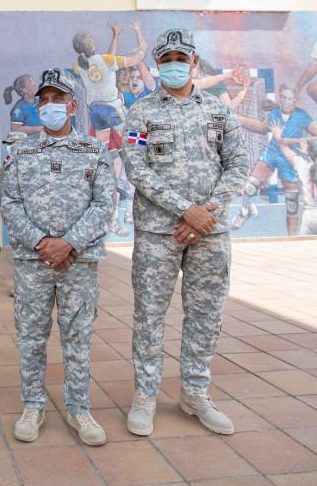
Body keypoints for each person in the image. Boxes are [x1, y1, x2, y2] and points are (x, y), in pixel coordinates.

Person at [122, 28, 248, 437]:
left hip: (210, 231)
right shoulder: (141, 112)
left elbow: (238, 162)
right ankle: (145, 396)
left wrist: (206, 212)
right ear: (157, 64)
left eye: (182, 58)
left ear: (194, 62)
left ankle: (195, 393)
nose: (175, 65)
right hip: (159, 232)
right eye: (167, 59)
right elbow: (136, 167)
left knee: (206, 314)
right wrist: (185, 210)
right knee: (149, 315)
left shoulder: (219, 111)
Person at [0, 67, 115, 446]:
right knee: (31, 338)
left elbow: (104, 204)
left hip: (78, 262)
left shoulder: (94, 151)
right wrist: (42, 243)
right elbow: (9, 203)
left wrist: (70, 243)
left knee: (77, 338)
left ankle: (79, 409)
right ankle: (33, 406)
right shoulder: (21, 151)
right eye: (44, 99)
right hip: (33, 263)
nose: (49, 104)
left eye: (57, 99)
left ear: (72, 105)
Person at [72, 22, 148, 237]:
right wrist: (143, 49)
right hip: (112, 107)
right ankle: (130, 171)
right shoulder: (105, 60)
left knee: (104, 150)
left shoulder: (80, 65)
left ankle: (110, 179)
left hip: (95, 109)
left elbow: (108, 60)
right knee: (134, 139)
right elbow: (133, 60)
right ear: (92, 43)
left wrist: (116, 35)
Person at [231, 83, 317, 235]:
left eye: (289, 98)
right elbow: (260, 128)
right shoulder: (274, 113)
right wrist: (235, 117)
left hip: (289, 158)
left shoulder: (302, 116)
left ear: (295, 99)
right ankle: (245, 212)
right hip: (272, 153)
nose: (286, 101)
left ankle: (291, 239)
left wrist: (295, 141)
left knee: (292, 205)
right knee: (251, 185)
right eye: (283, 97)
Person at [270, 122, 317, 235]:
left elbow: (283, 147)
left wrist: (278, 137)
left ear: (308, 152)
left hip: (308, 215)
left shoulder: (302, 165)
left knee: (303, 244)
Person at [0, 131, 26, 298]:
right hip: (10, 213)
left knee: (23, 253)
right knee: (17, 252)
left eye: (13, 143)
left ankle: (21, 287)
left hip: (22, 215)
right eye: (8, 143)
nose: (9, 146)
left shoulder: (26, 163)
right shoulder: (9, 161)